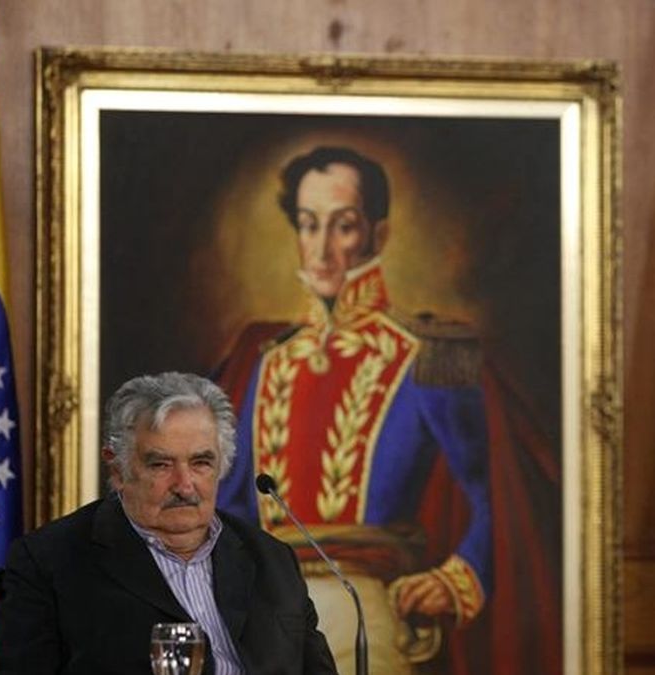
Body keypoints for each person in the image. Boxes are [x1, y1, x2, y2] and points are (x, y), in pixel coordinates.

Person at [213, 145, 561, 674]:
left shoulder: (428, 358)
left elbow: (494, 498)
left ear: (379, 234)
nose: (323, 249)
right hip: (268, 617)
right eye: (309, 226)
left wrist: (453, 579)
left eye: (343, 226)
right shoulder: (264, 358)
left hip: (369, 611)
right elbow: (230, 510)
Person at [0, 372, 337, 674]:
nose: (184, 485)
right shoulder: (48, 562)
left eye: (201, 463)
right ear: (118, 469)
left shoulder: (272, 560)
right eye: (161, 465)